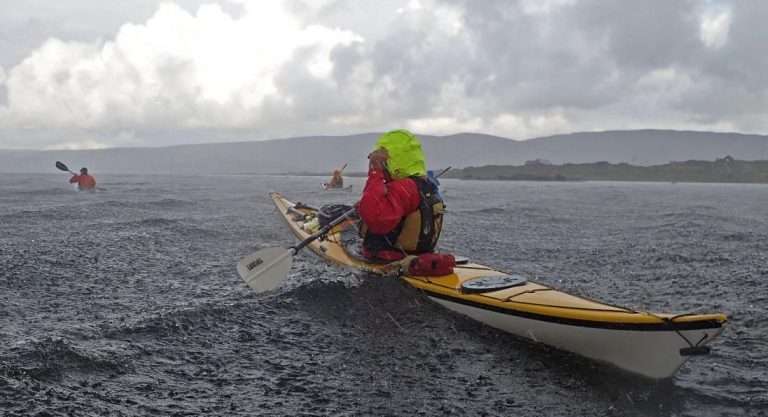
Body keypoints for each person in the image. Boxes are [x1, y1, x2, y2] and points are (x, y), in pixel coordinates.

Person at [357, 130, 444, 261]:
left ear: (392, 161)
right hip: (416, 258)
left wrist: (376, 171)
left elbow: (375, 219)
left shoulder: (403, 188)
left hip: (388, 261)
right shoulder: (427, 183)